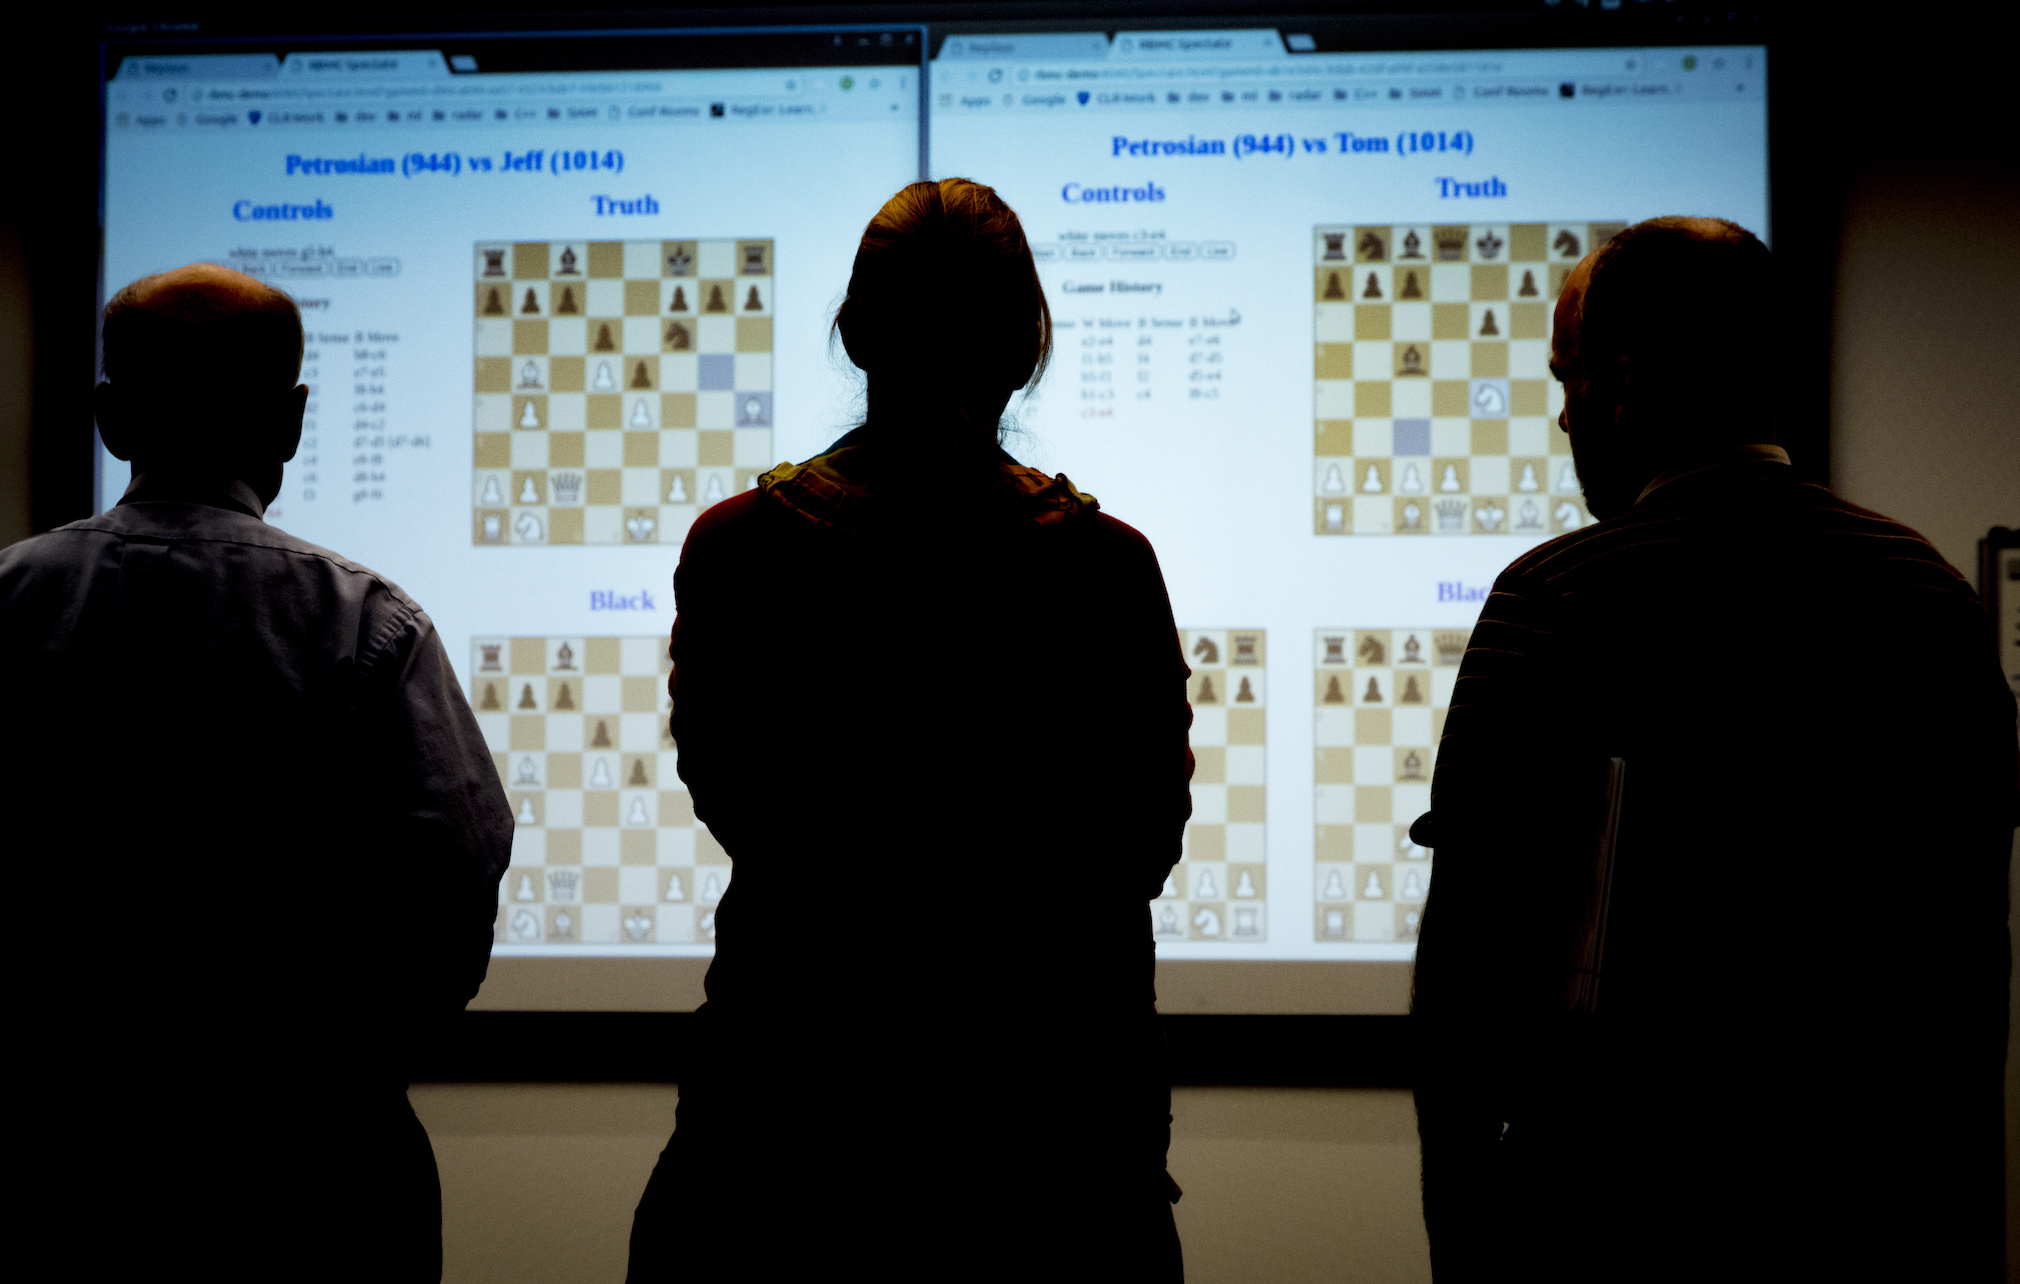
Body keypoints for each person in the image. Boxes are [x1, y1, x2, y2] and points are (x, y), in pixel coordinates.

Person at [1407, 217, 2018, 1281]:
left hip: (1619, 1219)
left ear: (1624, 383)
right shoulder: (1930, 596)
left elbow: (1469, 969)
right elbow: (1973, 952)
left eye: (1570, 376)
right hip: (1882, 1212)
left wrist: (1461, 1233)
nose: (1560, 417)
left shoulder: (1556, 599)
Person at [625, 180, 1193, 1281]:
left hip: (785, 1135)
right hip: (1056, 1147)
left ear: (852, 331)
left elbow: (739, 804)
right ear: (1028, 345)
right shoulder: (1103, 567)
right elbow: (1142, 845)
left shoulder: (743, 550)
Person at [1, 264, 512, 1282]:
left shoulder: (8, 603)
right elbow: (450, 895)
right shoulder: (370, 623)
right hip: (315, 1184)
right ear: (290, 422)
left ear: (107, 417)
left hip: (48, 1172)